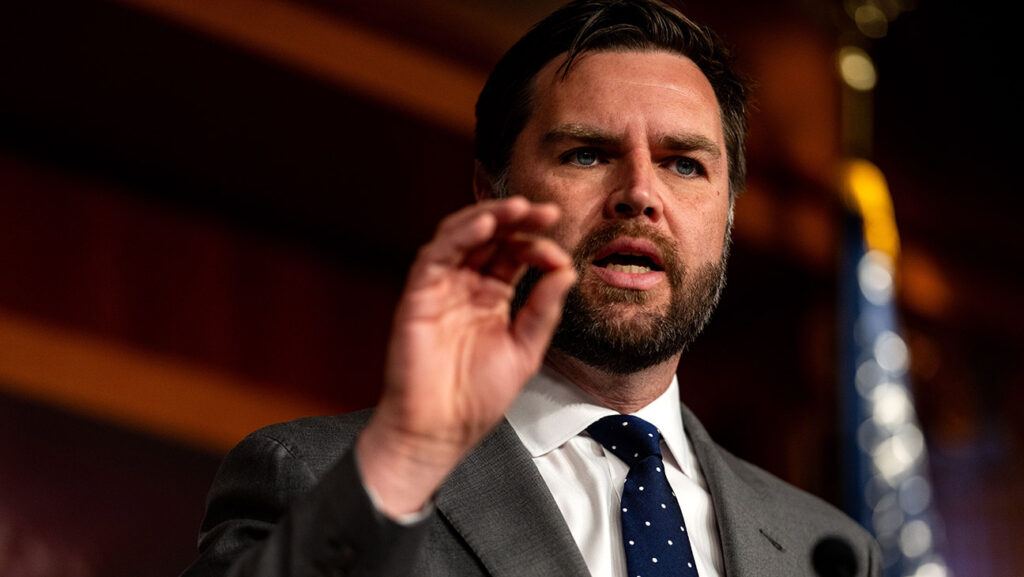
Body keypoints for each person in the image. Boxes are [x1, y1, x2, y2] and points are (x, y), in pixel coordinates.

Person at [181, 1, 881, 576]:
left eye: (684, 164)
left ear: (727, 213)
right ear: (493, 193)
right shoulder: (316, 477)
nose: (639, 193)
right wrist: (407, 458)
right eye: (587, 153)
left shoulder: (831, 547)